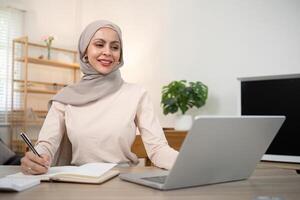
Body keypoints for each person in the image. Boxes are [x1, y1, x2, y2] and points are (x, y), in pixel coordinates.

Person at [20, 20, 178, 175]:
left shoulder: (136, 94)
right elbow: (46, 145)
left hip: (123, 182)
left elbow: (158, 149)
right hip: (78, 183)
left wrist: (190, 164)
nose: (108, 52)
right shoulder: (65, 98)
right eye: (99, 44)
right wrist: (35, 159)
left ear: (120, 55)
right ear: (85, 51)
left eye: (115, 47)